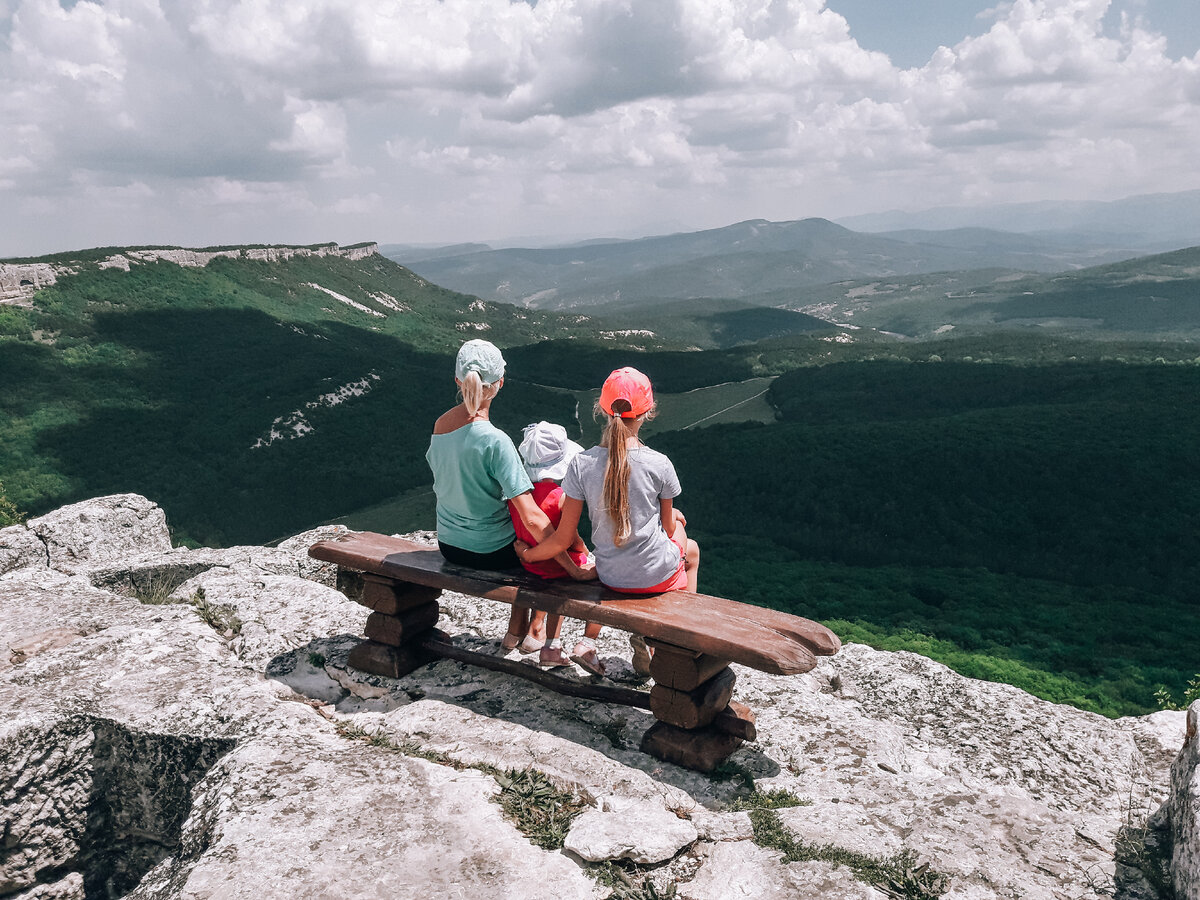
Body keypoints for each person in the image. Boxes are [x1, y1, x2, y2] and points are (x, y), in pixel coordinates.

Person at [513, 367, 700, 674]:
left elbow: (561, 539)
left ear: (601, 409)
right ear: (648, 412)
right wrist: (676, 521)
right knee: (689, 546)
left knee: (669, 539)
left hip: (610, 574)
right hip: (655, 575)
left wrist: (527, 554)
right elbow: (666, 530)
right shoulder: (660, 463)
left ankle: (653, 640)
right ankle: (679, 633)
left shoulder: (581, 464)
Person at [425, 339, 595, 667]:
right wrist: (572, 566)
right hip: (492, 553)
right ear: (499, 383)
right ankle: (536, 634)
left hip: (449, 544)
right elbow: (531, 518)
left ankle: (517, 630)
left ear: (457, 381)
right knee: (543, 540)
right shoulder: (497, 441)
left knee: (528, 537)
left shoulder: (440, 426)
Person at [509, 421, 606, 675]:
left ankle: (538, 637)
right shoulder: (561, 496)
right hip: (557, 568)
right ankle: (564, 646)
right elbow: (570, 538)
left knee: (553, 582)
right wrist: (585, 553)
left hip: (530, 565)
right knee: (604, 577)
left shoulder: (518, 494)